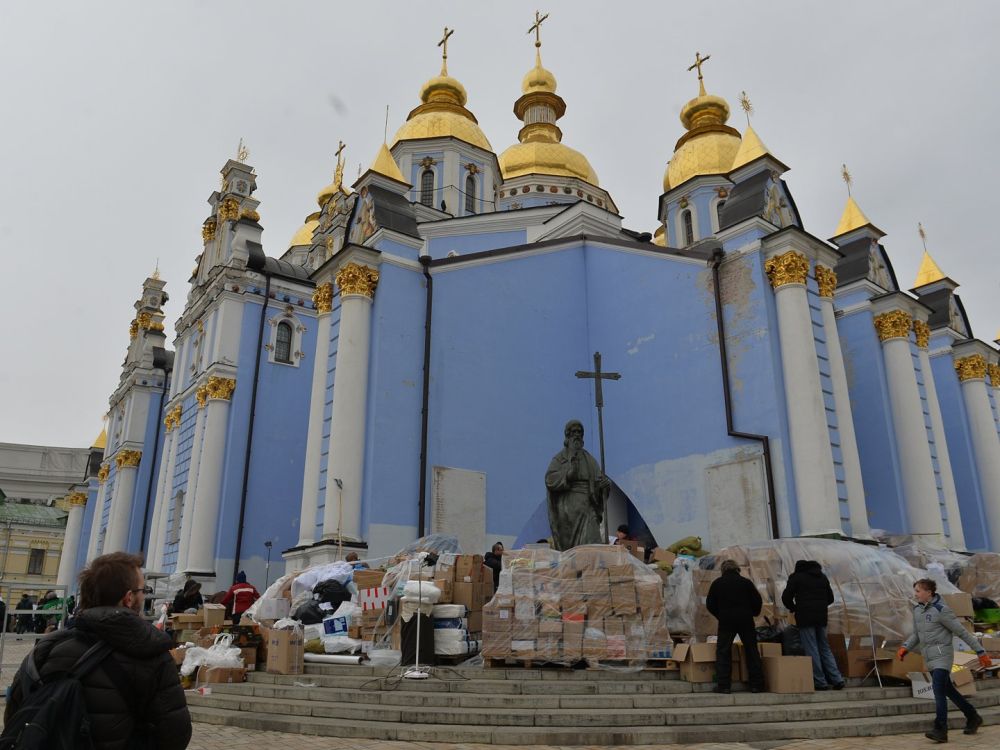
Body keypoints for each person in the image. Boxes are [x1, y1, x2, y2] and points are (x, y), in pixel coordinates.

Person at [4, 552, 192, 749]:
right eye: (142, 589)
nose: (144, 594)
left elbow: (16, 716)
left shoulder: (45, 649)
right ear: (129, 598)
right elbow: (175, 736)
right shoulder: (153, 656)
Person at [900, 578, 992, 743]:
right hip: (929, 657)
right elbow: (917, 634)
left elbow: (962, 633)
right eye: (915, 591)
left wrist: (980, 652)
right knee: (948, 689)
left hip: (943, 656)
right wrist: (905, 647)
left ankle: (940, 729)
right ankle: (972, 716)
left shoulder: (942, 610)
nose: (916, 594)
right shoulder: (918, 610)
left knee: (938, 690)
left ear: (929, 592)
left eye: (919, 591)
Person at [545, 420, 610, 551]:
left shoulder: (589, 459)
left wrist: (605, 486)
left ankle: (592, 570)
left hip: (588, 507)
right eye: (573, 432)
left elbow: (599, 482)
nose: (577, 435)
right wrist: (567, 474)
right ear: (567, 436)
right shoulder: (559, 459)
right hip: (567, 511)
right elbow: (549, 479)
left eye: (579, 432)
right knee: (571, 550)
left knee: (593, 542)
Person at [781, 559, 845, 690]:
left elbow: (786, 597)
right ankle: (837, 679)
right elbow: (831, 598)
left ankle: (820, 681)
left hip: (805, 618)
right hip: (821, 617)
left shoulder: (796, 577)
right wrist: (820, 606)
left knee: (811, 648)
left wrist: (794, 608)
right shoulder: (822, 577)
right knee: (824, 647)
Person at [705, 559, 764, 694]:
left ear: (723, 570)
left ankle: (724, 686)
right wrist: (753, 613)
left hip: (726, 621)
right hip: (746, 620)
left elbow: (710, 604)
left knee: (723, 652)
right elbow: (757, 601)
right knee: (751, 651)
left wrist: (720, 614)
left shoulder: (717, 584)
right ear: (738, 569)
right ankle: (757, 685)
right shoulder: (746, 583)